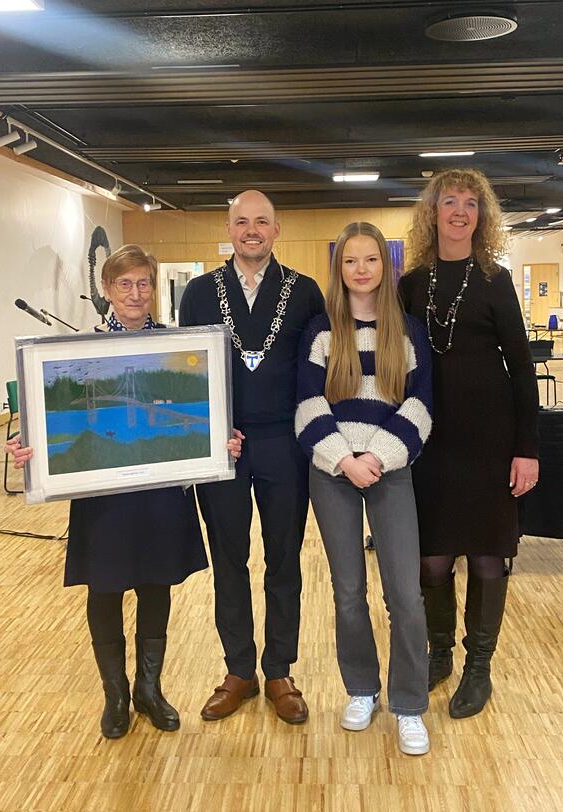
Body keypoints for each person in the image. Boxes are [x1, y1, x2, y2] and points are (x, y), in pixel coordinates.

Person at [6, 244, 242, 739]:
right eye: (124, 284)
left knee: (157, 583)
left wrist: (220, 441)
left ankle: (148, 689)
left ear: (154, 289)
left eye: (144, 283)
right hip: (103, 498)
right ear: (108, 291)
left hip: (160, 496)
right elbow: (51, 426)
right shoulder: (76, 353)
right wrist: (30, 448)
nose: (135, 293)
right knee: (106, 587)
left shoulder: (183, 350)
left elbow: (201, 417)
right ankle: (114, 694)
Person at [397, 169, 539, 719]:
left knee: (486, 557)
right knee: (431, 561)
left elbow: (523, 370)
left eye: (470, 204)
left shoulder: (496, 280)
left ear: (482, 216)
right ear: (432, 212)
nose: (459, 211)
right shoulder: (411, 283)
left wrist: (527, 447)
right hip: (430, 442)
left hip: (490, 441)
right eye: (449, 202)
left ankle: (479, 667)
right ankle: (440, 654)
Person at [179, 190, 324, 724]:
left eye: (262, 221)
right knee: (230, 561)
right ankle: (238, 669)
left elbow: (319, 373)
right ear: (229, 228)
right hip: (224, 447)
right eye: (242, 222)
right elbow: (190, 373)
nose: (252, 230)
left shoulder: (305, 292)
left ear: (277, 229)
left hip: (286, 444)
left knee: (284, 560)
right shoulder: (197, 293)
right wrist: (207, 432)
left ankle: (280, 670)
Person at [296, 222, 433, 755]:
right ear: (339, 269)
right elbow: (307, 406)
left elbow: (420, 406)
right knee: (348, 590)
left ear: (384, 265)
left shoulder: (409, 332)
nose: (360, 269)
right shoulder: (321, 331)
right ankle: (361, 688)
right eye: (350, 260)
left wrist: (376, 456)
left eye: (370, 259)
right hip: (333, 472)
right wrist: (345, 460)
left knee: (405, 594)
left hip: (390, 469)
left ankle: (409, 704)